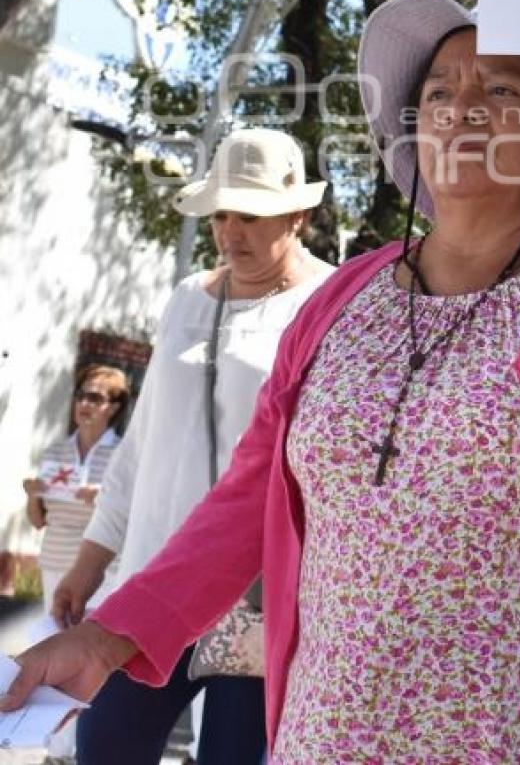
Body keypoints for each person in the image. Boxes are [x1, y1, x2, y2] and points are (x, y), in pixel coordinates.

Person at [2, 0, 520, 764]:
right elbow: (249, 499)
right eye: (440, 90)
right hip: (333, 737)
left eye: (502, 89)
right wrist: (109, 635)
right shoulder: (343, 298)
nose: (461, 108)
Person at [41, 128, 334, 765]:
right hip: (152, 585)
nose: (231, 231)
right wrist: (92, 561)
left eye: (251, 215)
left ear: (299, 214)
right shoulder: (185, 298)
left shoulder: (330, 306)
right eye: (222, 213)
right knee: (105, 747)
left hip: (258, 596)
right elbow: (143, 444)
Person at [23, 364, 129, 612]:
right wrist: (31, 496)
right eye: (81, 395)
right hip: (54, 561)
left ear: (113, 407)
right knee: (54, 640)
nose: (84, 403)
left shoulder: (123, 456)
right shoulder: (55, 452)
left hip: (100, 570)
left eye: (95, 398)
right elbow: (38, 521)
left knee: (86, 646)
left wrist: (102, 497)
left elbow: (133, 513)